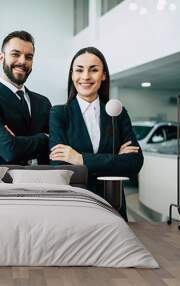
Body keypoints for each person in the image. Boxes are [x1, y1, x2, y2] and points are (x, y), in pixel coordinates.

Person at [49, 47, 143, 221]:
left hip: (112, 204)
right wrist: (115, 159)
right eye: (79, 70)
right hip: (75, 205)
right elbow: (59, 166)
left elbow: (134, 162)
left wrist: (80, 159)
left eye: (93, 70)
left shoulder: (118, 113)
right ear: (72, 75)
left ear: (104, 75)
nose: (85, 77)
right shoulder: (59, 113)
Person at [0, 31, 51, 165]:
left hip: (44, 182)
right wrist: (45, 138)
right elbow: (9, 150)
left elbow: (56, 147)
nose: (22, 61)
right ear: (1, 57)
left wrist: (19, 142)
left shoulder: (43, 102)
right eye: (15, 54)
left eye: (29, 57)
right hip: (5, 183)